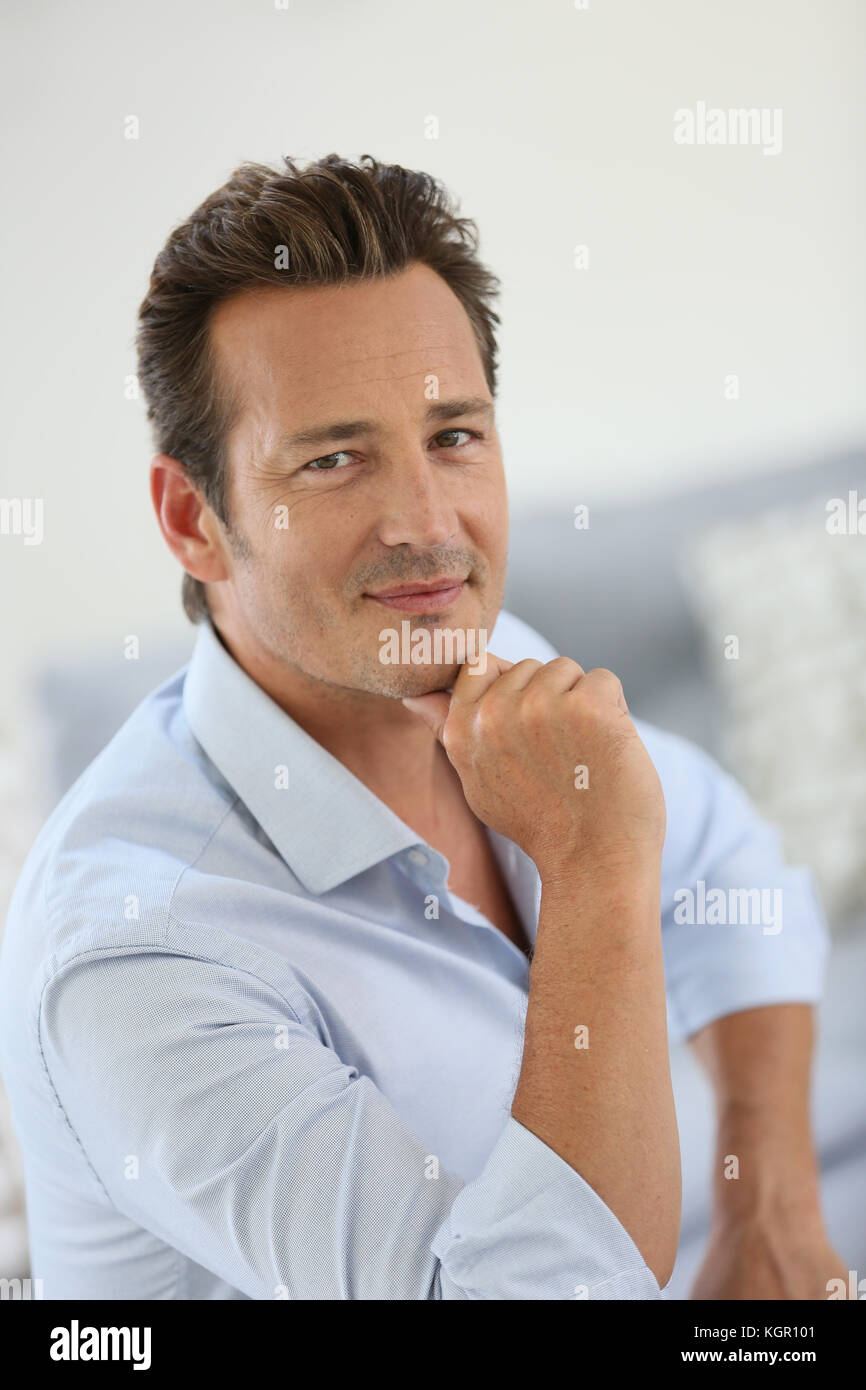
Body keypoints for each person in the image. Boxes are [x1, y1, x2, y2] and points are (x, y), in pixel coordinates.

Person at [0, 155, 844, 1299]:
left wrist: (769, 1200)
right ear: (193, 519)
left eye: (452, 436)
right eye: (334, 459)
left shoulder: (472, 661)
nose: (426, 528)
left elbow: (725, 859)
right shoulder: (135, 953)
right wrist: (594, 869)